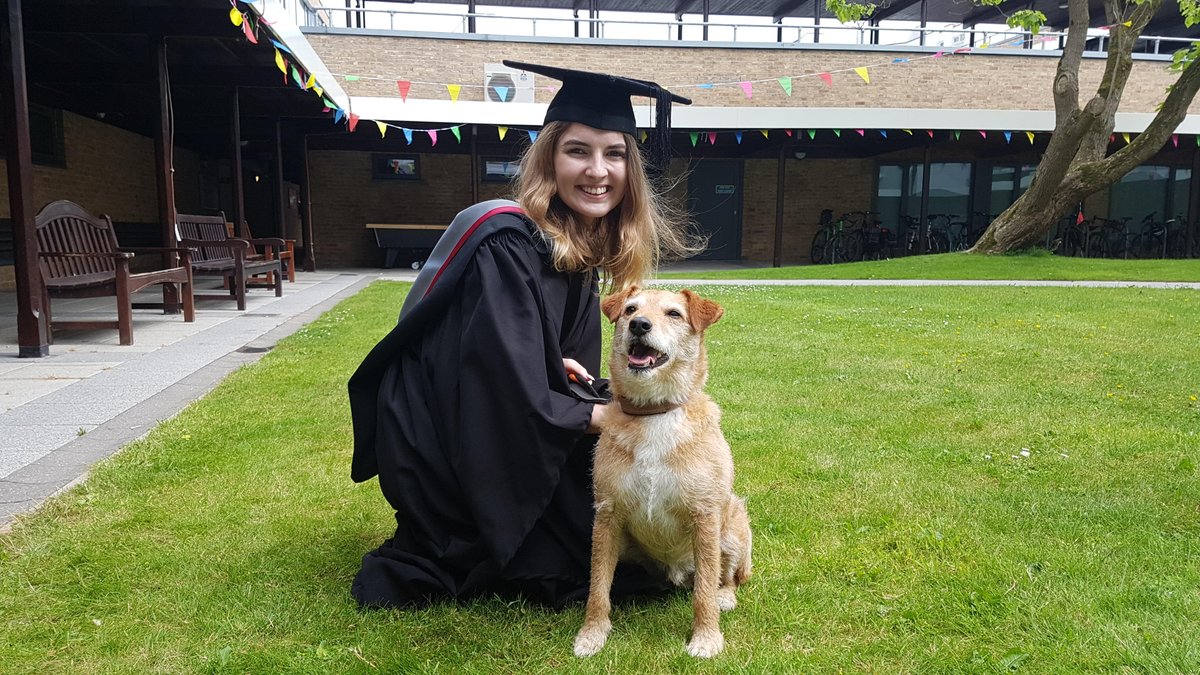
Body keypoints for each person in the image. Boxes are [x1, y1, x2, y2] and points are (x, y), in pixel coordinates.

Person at [347, 61, 696, 609]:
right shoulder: (507, 242)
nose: (597, 170)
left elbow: (508, 344)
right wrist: (595, 415)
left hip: (473, 396)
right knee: (579, 537)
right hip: (440, 431)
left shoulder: (571, 244)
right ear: (549, 159)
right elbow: (489, 373)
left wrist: (550, 362)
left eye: (615, 154)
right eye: (577, 151)